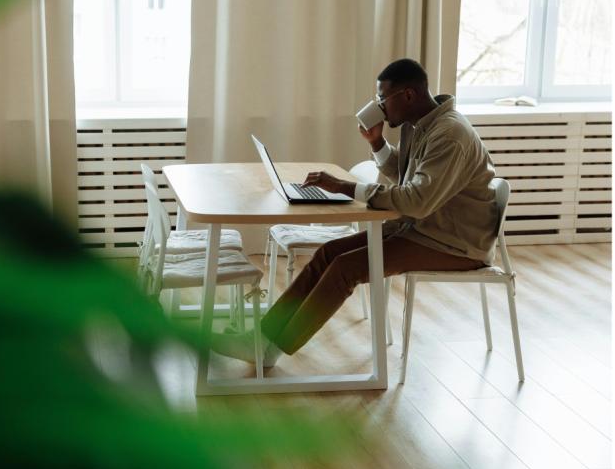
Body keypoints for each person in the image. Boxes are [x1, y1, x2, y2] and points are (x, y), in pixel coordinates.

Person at [212, 58, 499, 367]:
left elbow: (417, 201)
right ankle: (263, 338)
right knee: (328, 254)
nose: (379, 106)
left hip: (456, 244)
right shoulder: (421, 126)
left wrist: (345, 188)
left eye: (382, 99)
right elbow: (403, 177)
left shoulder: (450, 135)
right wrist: (377, 143)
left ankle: (270, 349)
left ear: (408, 95)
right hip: (424, 230)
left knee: (346, 268)